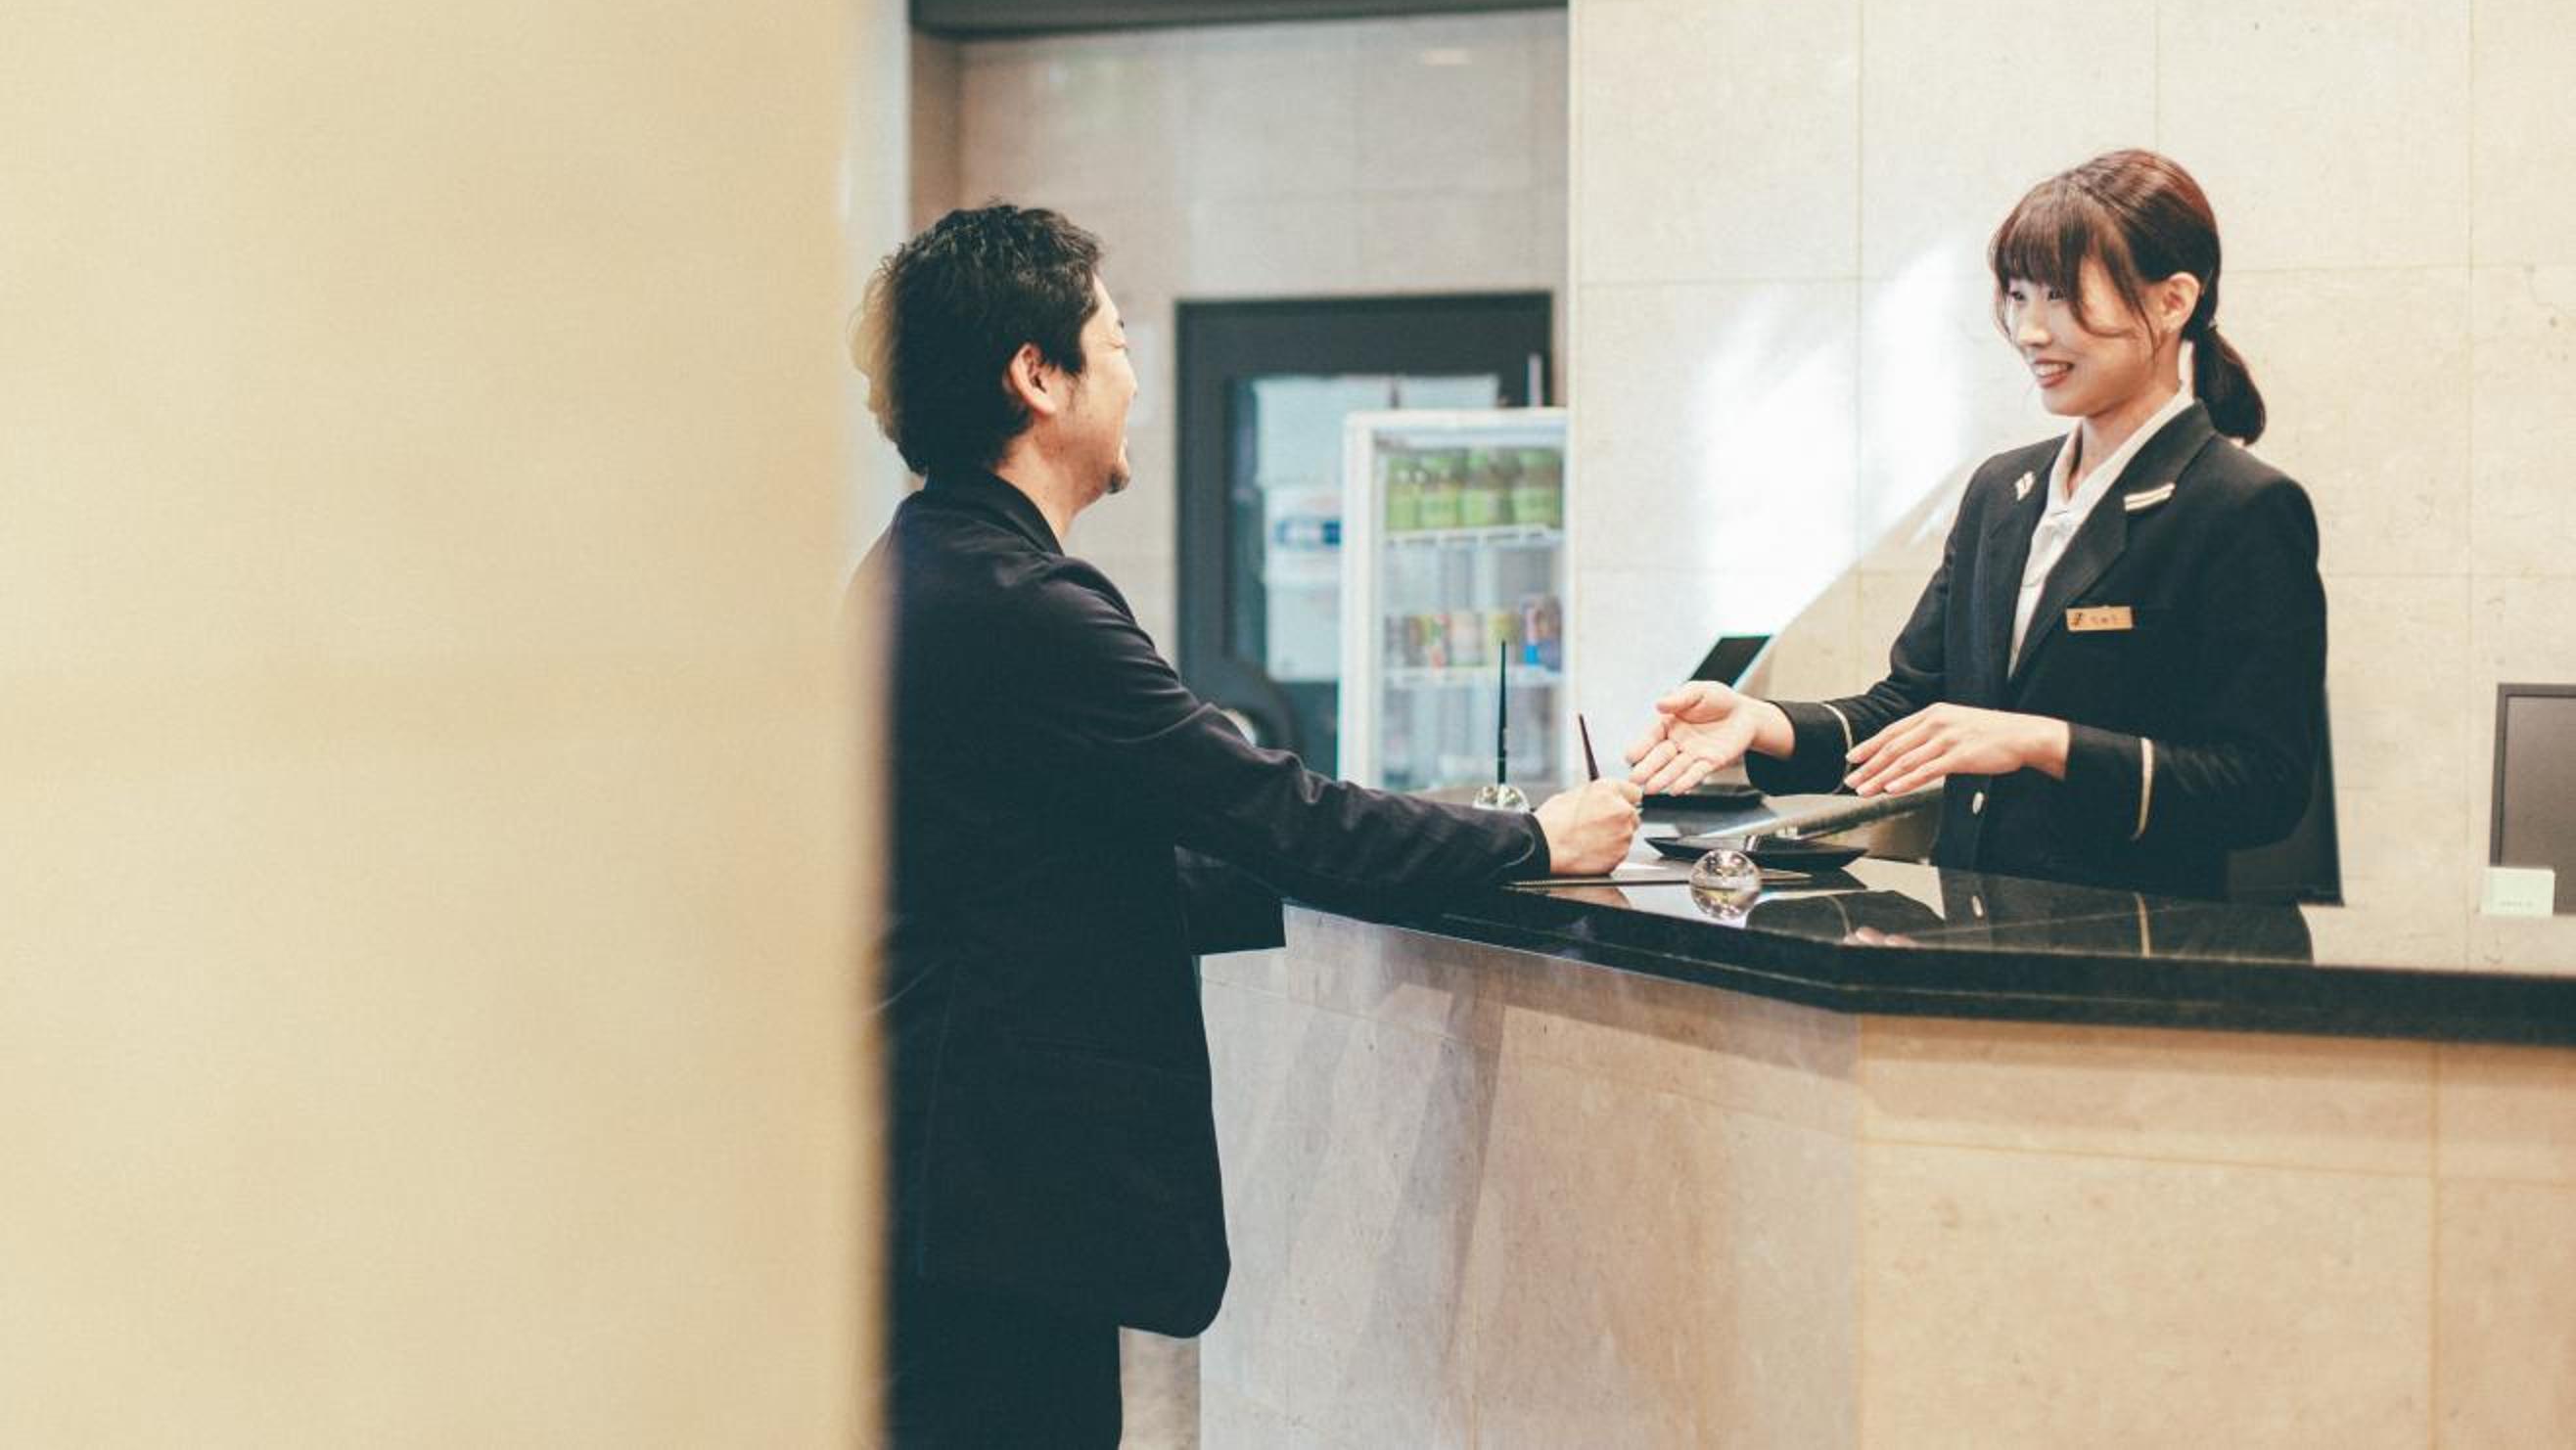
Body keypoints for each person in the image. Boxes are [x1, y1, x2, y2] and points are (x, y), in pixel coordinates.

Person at [850, 204, 1638, 1446]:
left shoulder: (925, 567)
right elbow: (1274, 811)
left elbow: (1063, 862)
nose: (1133, 381)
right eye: (1116, 346)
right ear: (1037, 376)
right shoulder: (1022, 604)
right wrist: (1536, 842)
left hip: (947, 1182)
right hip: (986, 1195)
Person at [1624, 149, 2327, 900]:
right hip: (1974, 931)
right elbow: (1910, 710)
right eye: (2017, 297)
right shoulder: (2001, 493)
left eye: (2061, 296)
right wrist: (1759, 722)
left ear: (2172, 301)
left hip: (2131, 945)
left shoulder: (2240, 507)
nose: (2029, 331)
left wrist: (2041, 742)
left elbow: (2263, 787)